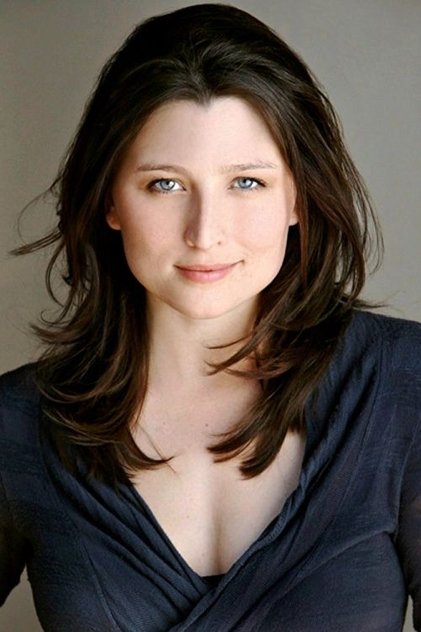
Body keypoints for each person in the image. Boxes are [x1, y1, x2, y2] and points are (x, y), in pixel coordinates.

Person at [0, 3, 420, 631]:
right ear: (110, 200)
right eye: (165, 184)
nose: (205, 232)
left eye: (246, 182)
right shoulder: (19, 424)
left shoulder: (404, 387)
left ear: (298, 197)